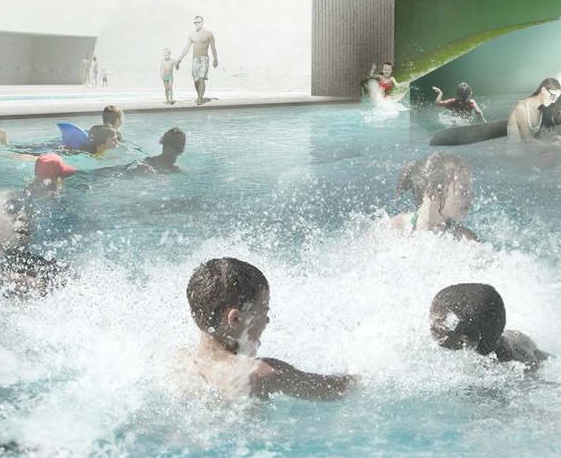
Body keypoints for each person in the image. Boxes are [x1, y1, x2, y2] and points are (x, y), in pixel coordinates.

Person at [178, 257, 357, 401]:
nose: (268, 320)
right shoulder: (259, 373)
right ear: (236, 319)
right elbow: (334, 390)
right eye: (263, 311)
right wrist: (367, 371)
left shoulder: (178, 364)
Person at [429, 283, 549, 371]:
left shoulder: (500, 366)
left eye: (437, 323)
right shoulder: (487, 341)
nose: (431, 326)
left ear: (463, 339)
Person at [390, 152, 477, 240]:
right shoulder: (397, 227)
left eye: (470, 190)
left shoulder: (465, 239)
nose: (471, 197)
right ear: (434, 192)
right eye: (463, 191)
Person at [506, 78, 561, 145]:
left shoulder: (541, 110)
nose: (553, 101)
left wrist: (556, 138)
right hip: (514, 154)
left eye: (556, 98)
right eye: (553, 96)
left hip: (527, 152)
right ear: (543, 90)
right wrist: (552, 147)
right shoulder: (521, 107)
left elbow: (537, 140)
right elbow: (527, 140)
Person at [175, 17, 219, 105]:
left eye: (198, 22)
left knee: (201, 78)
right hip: (195, 59)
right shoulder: (192, 34)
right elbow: (186, 48)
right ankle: (199, 95)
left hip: (204, 58)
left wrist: (215, 59)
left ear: (202, 22)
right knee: (196, 80)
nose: (197, 24)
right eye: (195, 22)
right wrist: (179, 59)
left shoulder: (208, 34)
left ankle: (200, 98)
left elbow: (213, 47)